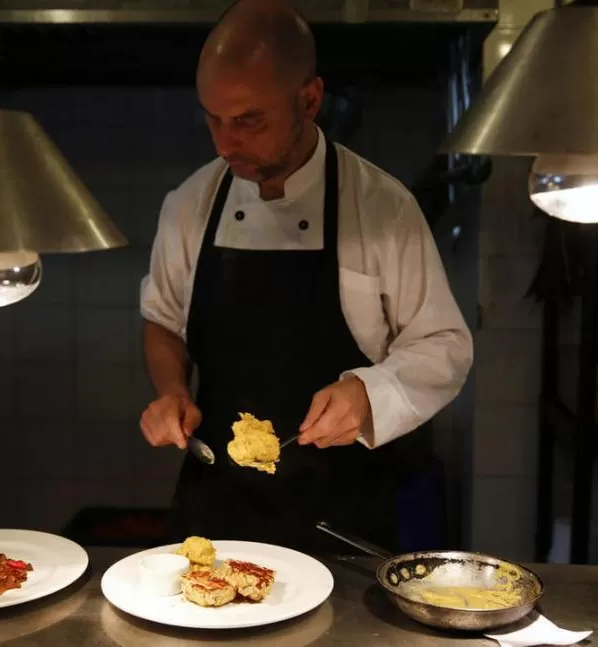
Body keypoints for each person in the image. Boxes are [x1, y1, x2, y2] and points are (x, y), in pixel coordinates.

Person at [139, 0, 472, 554]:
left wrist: (368, 395)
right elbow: (162, 321)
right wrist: (172, 391)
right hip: (216, 510)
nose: (225, 144)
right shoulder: (189, 205)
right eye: (213, 118)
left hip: (341, 517)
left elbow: (444, 346)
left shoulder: (384, 209)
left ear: (310, 100)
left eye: (249, 120)